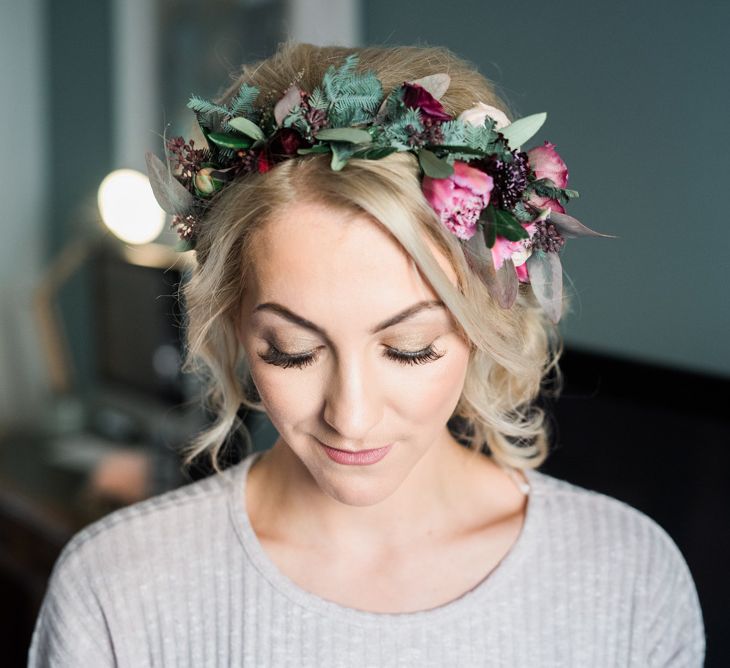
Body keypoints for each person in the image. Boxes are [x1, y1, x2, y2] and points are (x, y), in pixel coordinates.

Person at [28, 41, 705, 667]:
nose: (350, 418)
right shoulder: (115, 590)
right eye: (291, 351)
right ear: (236, 326)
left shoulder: (628, 578)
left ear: (486, 318)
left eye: (409, 350)